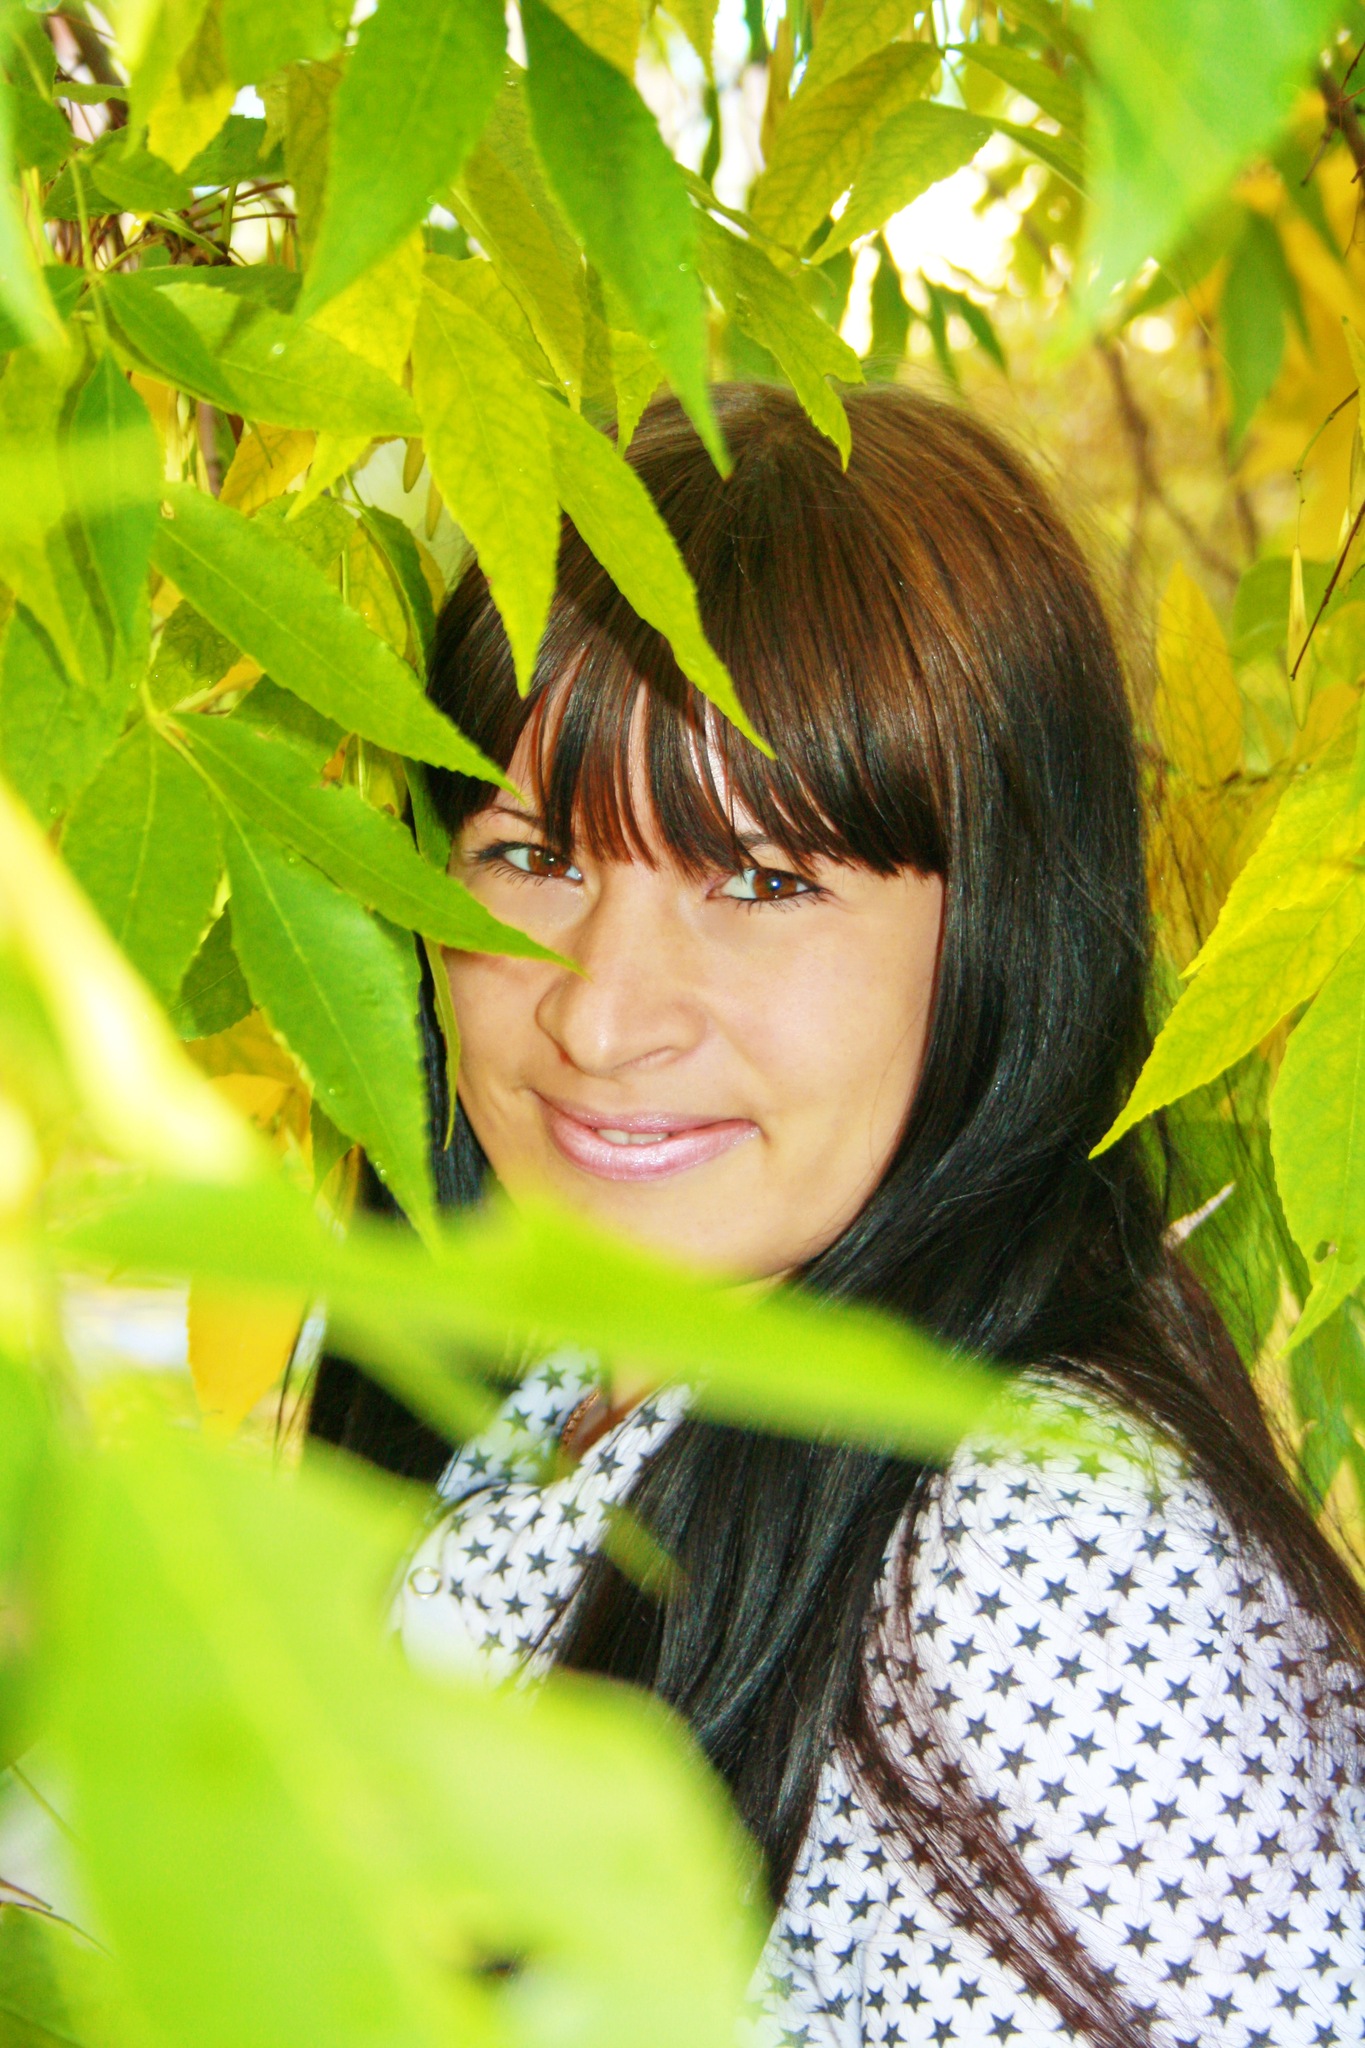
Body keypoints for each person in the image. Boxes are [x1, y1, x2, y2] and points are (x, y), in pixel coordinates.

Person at [311, 386, 1365, 2046]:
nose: (599, 1017)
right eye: (532, 856)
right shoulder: (570, 1382)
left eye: (761, 882)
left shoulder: (1030, 1553)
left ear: (1001, 924)